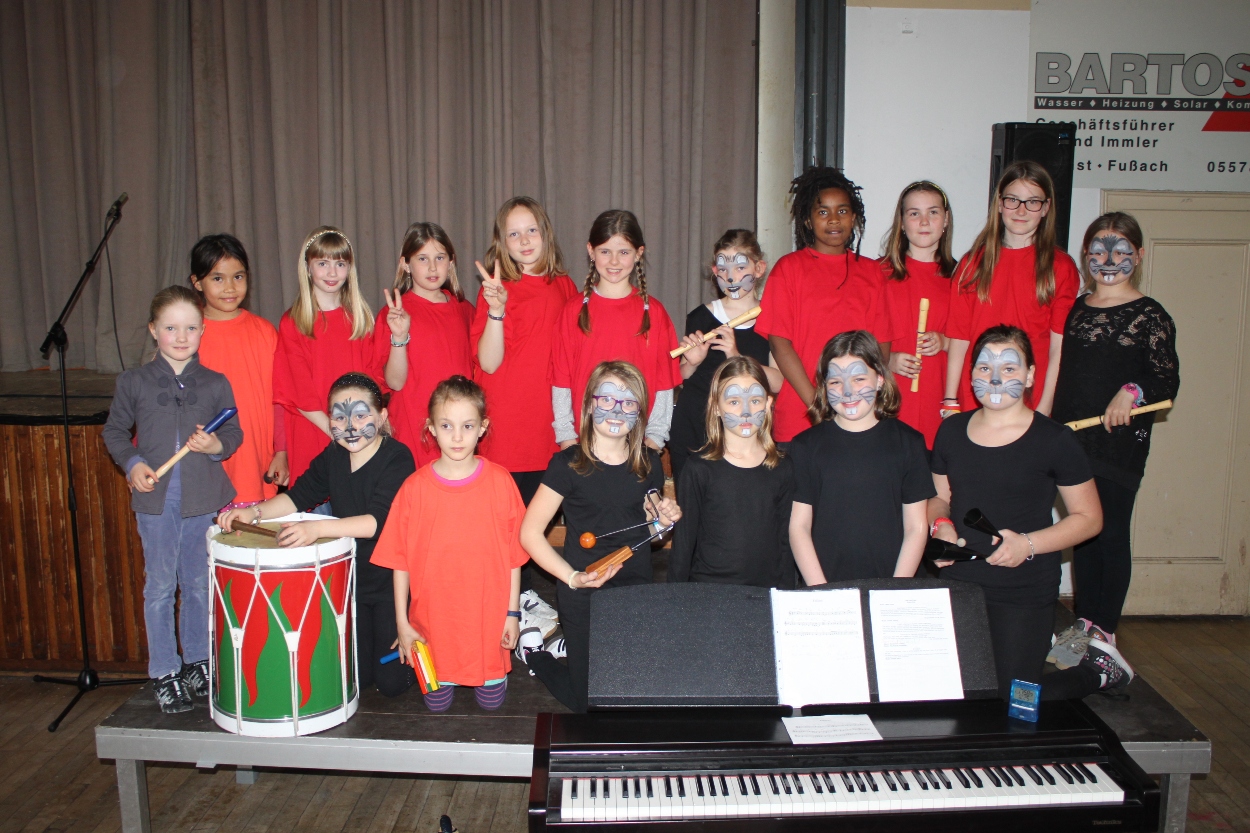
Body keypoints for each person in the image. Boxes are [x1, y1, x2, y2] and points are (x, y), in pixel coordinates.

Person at [929, 324, 1130, 700]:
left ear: (1030, 375)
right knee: (956, 695)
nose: (995, 378)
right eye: (984, 367)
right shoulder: (951, 431)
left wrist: (1028, 544)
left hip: (1022, 588)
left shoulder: (1054, 439)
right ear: (971, 373)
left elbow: (1090, 519)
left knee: (1015, 699)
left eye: (1009, 368)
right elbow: (939, 497)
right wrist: (939, 525)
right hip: (959, 583)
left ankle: (1099, 672)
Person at [217, 373, 417, 697]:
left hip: (391, 584)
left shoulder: (397, 457)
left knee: (391, 683)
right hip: (350, 582)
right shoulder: (334, 455)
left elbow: (378, 523)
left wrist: (318, 528)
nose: (350, 427)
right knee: (360, 677)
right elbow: (298, 496)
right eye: (339, 417)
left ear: (382, 417)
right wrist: (253, 512)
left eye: (360, 415)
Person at [102, 286, 242, 713]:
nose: (181, 337)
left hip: (202, 499)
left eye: (190, 328)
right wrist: (132, 464)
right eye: (170, 328)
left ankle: (198, 660)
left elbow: (233, 435)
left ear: (202, 330)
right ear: (153, 330)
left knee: (198, 583)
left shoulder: (216, 383)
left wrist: (214, 445)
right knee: (161, 586)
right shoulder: (134, 382)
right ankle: (165, 669)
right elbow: (114, 432)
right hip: (157, 502)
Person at [1049, 212, 1179, 660]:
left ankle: (1104, 636)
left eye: (1120, 251)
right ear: (1086, 254)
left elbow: (1166, 379)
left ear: (1138, 256)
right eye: (1098, 250)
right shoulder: (1075, 309)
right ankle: (1082, 631)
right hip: (1072, 443)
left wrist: (1132, 390)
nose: (1108, 260)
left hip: (1118, 446)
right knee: (1083, 534)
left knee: (1110, 534)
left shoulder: (1151, 315)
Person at [520, 361, 682, 712]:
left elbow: (651, 535)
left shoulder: (648, 462)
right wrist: (572, 578)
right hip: (582, 590)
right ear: (590, 405)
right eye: (607, 399)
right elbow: (529, 533)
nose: (617, 410)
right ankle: (537, 656)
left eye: (628, 402)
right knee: (585, 704)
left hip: (634, 588)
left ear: (639, 412)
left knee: (628, 692)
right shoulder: (568, 464)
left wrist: (664, 520)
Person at [370, 376, 529, 712]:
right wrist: (402, 623)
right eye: (446, 426)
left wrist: (512, 614)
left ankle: (490, 673)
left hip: (487, 623)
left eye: (467, 426)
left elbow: (514, 558)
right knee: (437, 706)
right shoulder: (413, 489)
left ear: (482, 427)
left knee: (491, 704)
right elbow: (399, 562)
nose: (457, 437)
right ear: (431, 428)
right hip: (434, 626)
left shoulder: (501, 483)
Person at [756, 167, 893, 444]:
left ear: (853, 217)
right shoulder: (789, 269)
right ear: (808, 220)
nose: (833, 219)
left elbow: (881, 346)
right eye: (823, 212)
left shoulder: (872, 273)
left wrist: (854, 401)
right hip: (802, 415)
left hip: (858, 414)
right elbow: (780, 343)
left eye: (842, 211)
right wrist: (817, 403)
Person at [788, 331, 933, 583]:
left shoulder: (909, 443)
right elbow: (798, 528)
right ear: (824, 385)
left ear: (879, 379)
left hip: (892, 583)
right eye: (835, 382)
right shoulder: (805, 446)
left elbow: (916, 528)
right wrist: (820, 590)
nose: (847, 392)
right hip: (825, 584)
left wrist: (895, 590)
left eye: (858, 379)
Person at [943, 161, 1079, 418]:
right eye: (1013, 200)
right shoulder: (972, 264)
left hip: (1031, 400)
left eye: (1033, 202)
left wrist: (1045, 406)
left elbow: (1058, 348)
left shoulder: (1061, 267)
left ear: (1046, 208)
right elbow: (959, 340)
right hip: (976, 398)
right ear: (1000, 204)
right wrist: (950, 399)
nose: (1021, 210)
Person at [472, 197, 579, 505]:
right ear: (502, 242)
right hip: (507, 429)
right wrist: (496, 310)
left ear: (545, 233)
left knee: (539, 525)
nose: (524, 240)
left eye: (531, 230)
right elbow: (488, 363)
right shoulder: (494, 289)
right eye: (514, 234)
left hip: (551, 426)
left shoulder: (564, 285)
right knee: (505, 524)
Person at [550, 210, 681, 452]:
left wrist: (654, 439)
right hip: (583, 445)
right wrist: (567, 438)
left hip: (637, 447)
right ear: (591, 251)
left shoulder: (655, 313)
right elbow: (561, 379)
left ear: (638, 253)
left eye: (624, 252)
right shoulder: (572, 311)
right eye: (605, 251)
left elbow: (664, 383)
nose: (614, 261)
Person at [669, 356, 794, 588]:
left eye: (755, 400)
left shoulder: (782, 467)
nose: (746, 412)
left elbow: (785, 540)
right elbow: (684, 542)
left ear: (768, 403)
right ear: (716, 406)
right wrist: (674, 599)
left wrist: (787, 596)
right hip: (711, 591)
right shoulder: (699, 468)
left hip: (765, 591)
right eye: (734, 401)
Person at [669, 229, 782, 482]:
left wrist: (736, 357)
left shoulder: (772, 318)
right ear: (714, 271)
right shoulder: (700, 316)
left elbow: (778, 382)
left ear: (759, 268)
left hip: (745, 428)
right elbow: (680, 376)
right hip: (695, 423)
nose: (731, 277)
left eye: (740, 267)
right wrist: (692, 363)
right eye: (723, 268)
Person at [273, 226, 379, 483]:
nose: (332, 273)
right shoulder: (293, 322)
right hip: (314, 432)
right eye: (323, 263)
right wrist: (338, 433)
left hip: (357, 436)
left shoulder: (360, 320)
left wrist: (356, 432)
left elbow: (372, 383)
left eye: (340, 264)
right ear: (308, 267)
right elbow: (299, 392)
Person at [189, 234, 287, 508]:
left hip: (255, 467)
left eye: (238, 277)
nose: (230, 287)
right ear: (197, 282)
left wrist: (282, 451)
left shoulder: (265, 332)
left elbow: (280, 399)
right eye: (217, 278)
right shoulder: (188, 335)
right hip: (203, 470)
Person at [378, 222, 474, 466]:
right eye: (422, 259)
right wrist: (399, 337)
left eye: (439, 258)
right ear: (405, 264)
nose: (432, 267)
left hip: (458, 432)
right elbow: (394, 382)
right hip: (413, 431)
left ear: (451, 262)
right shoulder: (394, 313)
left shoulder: (465, 310)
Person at [881, 182, 957, 448]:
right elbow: (860, 336)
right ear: (902, 222)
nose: (924, 222)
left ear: (945, 219)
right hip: (891, 400)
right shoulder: (878, 275)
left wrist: (945, 341)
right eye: (914, 213)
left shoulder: (963, 278)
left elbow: (973, 337)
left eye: (933, 212)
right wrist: (887, 359)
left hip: (939, 397)